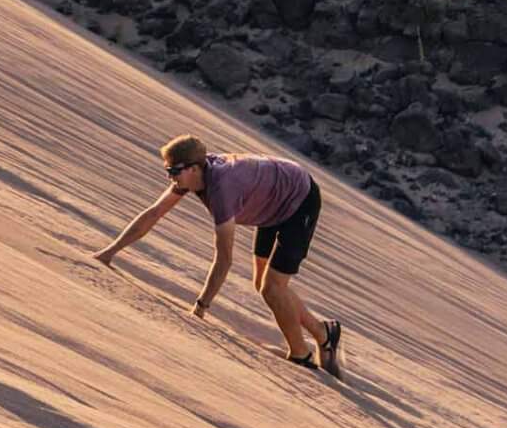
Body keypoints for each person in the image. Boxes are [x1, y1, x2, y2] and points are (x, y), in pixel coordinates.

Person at [91, 134, 343, 378]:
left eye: (173, 171)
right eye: (167, 171)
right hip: (272, 199)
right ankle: (324, 334)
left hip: (298, 200)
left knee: (273, 288)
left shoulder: (222, 190)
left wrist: (201, 307)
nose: (170, 177)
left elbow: (224, 259)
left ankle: (301, 354)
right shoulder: (193, 177)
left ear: (193, 169)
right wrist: (108, 253)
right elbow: (154, 213)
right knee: (263, 284)